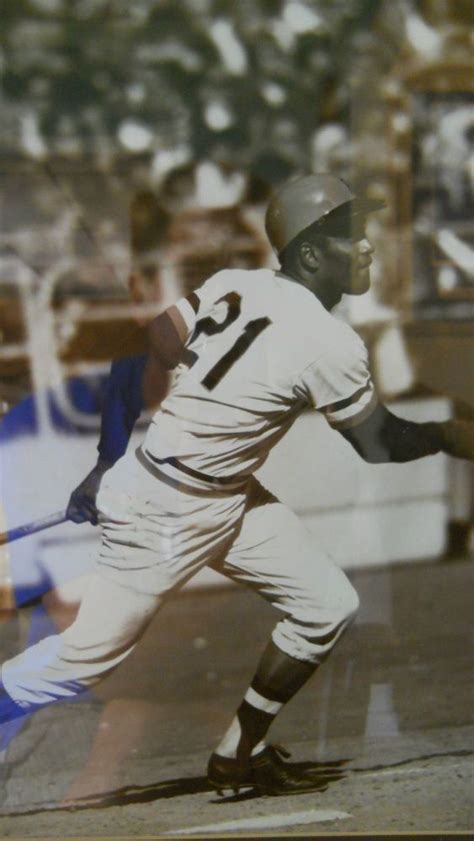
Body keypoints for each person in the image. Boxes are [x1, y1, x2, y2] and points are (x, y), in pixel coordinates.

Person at [1, 173, 473, 798]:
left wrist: (106, 459)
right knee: (85, 658)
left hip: (221, 493)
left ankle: (236, 755)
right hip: (160, 511)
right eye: (349, 236)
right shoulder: (330, 342)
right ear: (308, 253)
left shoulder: (234, 284)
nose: (366, 247)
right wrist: (447, 434)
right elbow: (377, 444)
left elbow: (140, 353)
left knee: (325, 605)